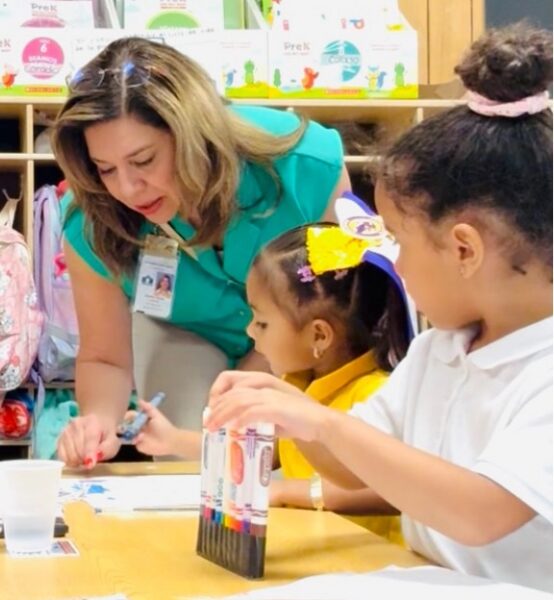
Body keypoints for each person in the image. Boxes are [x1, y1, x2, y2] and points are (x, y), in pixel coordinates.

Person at [205, 23, 553, 591]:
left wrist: (317, 421)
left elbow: (481, 511)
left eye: (399, 239)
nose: (394, 262)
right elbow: (350, 462)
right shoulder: (441, 349)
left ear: (464, 249)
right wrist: (284, 409)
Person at [51, 36, 350, 468]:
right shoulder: (90, 217)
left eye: (144, 160)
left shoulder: (308, 167)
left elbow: (342, 307)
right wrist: (98, 423)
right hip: (185, 331)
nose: (128, 189)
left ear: (193, 134)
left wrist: (258, 372)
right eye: (106, 168)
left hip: (304, 331)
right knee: (187, 460)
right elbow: (105, 357)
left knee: (285, 458)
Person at [124, 216, 413, 543]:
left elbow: (390, 492)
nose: (250, 332)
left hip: (373, 565)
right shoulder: (297, 385)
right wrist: (172, 439)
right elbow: (256, 449)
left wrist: (289, 491)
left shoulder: (376, 396)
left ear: (318, 335)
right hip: (315, 550)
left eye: (261, 323)